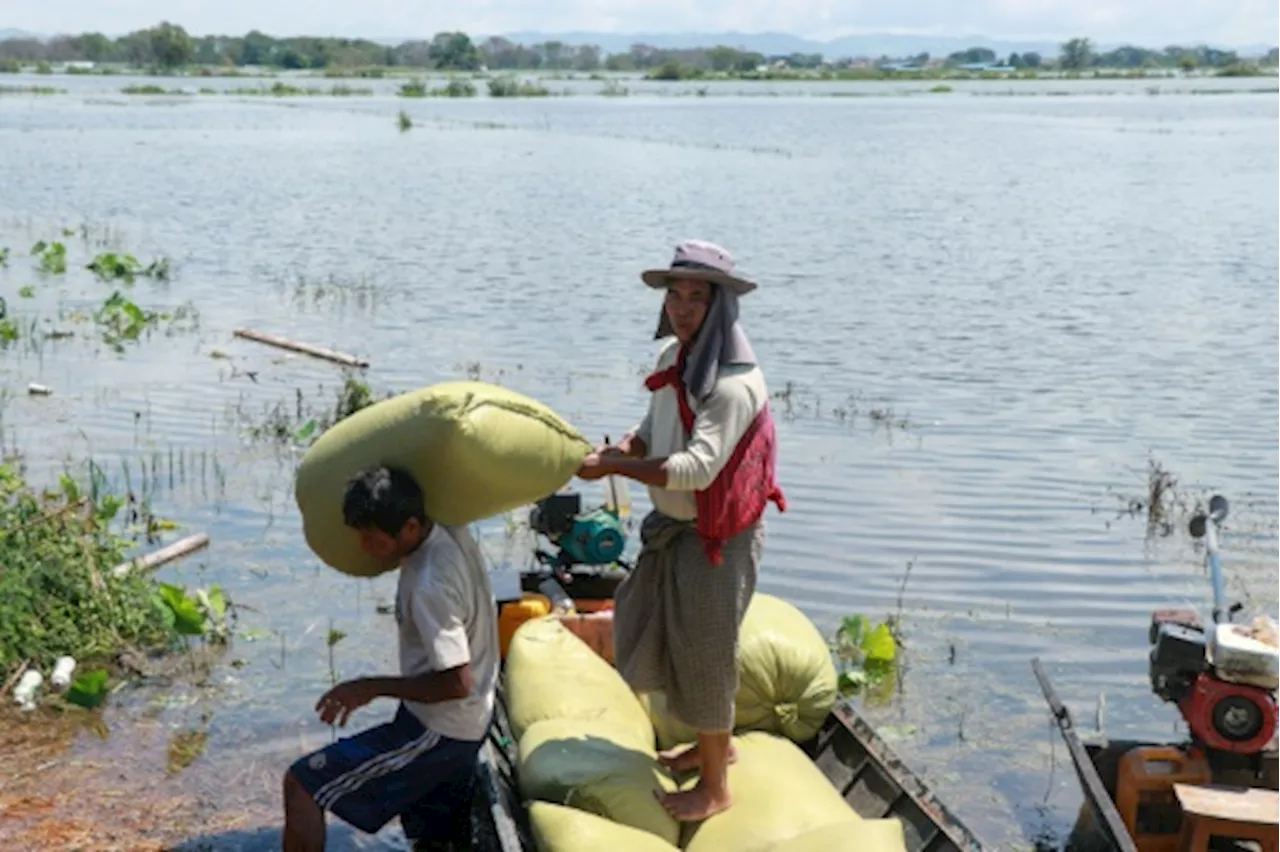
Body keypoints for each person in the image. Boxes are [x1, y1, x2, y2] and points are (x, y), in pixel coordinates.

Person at [577, 239, 786, 822]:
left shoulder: (732, 383)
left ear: (721, 306)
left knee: (707, 654)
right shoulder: (677, 357)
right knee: (676, 637)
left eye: (698, 297)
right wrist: (625, 447)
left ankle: (717, 785)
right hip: (677, 532)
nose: (684, 308)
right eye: (676, 295)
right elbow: (652, 428)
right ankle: (710, 745)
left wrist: (615, 468)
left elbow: (696, 468)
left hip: (716, 542)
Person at [282, 466, 499, 852]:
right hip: (465, 717)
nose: (365, 549)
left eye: (372, 539)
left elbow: (455, 682)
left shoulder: (430, 584)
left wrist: (369, 687)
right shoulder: (452, 531)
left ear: (411, 528)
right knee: (432, 837)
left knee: (303, 785)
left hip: (440, 730)